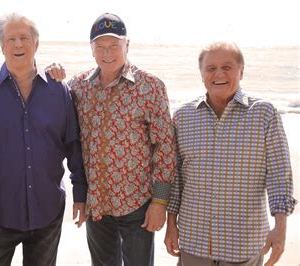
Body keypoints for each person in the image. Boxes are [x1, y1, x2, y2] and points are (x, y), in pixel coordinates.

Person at [0, 13, 87, 266]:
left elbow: (73, 145)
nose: (18, 44)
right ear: (2, 46)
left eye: (24, 38)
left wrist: (80, 193)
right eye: (11, 39)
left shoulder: (58, 91)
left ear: (36, 44)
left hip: (48, 211)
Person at [164, 42, 297, 266]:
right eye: (211, 68)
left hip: (244, 245)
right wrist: (171, 224)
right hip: (194, 241)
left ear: (241, 71)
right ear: (201, 74)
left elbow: (279, 175)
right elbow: (175, 179)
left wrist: (280, 229)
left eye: (227, 67)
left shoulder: (264, 114)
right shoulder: (183, 117)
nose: (219, 74)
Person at [66, 13, 177, 266]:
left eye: (114, 46)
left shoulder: (150, 86)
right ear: (92, 49)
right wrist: (51, 72)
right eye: (100, 47)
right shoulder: (78, 86)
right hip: (98, 205)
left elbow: (165, 148)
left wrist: (159, 202)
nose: (107, 53)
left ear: (127, 45)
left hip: (137, 204)